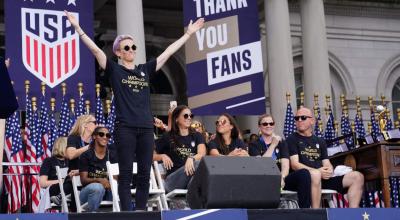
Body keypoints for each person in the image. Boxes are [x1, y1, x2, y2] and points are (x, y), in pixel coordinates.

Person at [65, 11, 204, 211]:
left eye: (133, 47)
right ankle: (128, 214)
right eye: (126, 47)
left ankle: (140, 212)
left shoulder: (144, 70)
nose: (131, 50)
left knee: (144, 174)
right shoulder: (115, 70)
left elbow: (168, 53)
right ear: (119, 53)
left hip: (146, 129)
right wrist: (78, 29)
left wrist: (188, 34)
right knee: (126, 173)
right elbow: (96, 51)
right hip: (126, 129)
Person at [287, 107, 364, 208]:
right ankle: (316, 215)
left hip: (323, 179)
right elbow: (294, 164)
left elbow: (326, 162)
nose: (299, 120)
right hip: (304, 180)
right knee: (315, 174)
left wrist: (329, 170)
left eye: (303, 117)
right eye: (297, 118)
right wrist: (317, 171)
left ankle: (352, 215)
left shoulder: (320, 141)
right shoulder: (292, 139)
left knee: (357, 177)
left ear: (312, 121)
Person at [248, 114, 312, 208]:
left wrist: (281, 177)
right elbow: (261, 165)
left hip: (281, 180)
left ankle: (304, 211)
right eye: (265, 124)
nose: (268, 126)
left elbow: (285, 166)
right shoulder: (254, 144)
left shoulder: (282, 143)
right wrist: (273, 145)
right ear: (260, 127)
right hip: (264, 179)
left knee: (304, 174)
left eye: (271, 123)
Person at [154, 105, 206, 192]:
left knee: (200, 165)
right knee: (198, 164)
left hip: (191, 179)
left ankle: (192, 197)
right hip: (173, 181)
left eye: (191, 116)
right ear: (176, 119)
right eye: (186, 116)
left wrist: (191, 158)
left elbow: (202, 153)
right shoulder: (168, 136)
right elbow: (150, 155)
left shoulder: (197, 135)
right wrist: (162, 156)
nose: (189, 118)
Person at [79, 126, 117, 212]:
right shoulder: (86, 155)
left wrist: (110, 183)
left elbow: (116, 177)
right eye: (101, 134)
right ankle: (93, 215)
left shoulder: (112, 155)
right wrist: (99, 180)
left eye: (108, 135)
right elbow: (83, 180)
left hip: (108, 190)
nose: (105, 137)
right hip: (88, 193)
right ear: (94, 136)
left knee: (118, 188)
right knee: (98, 187)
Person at [39, 137, 73, 206]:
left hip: (69, 188)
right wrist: (61, 181)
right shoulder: (49, 161)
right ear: (63, 147)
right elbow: (42, 183)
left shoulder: (71, 161)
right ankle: (60, 196)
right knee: (71, 182)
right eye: (70, 147)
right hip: (54, 189)